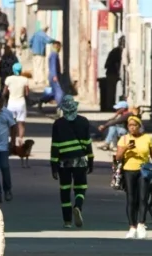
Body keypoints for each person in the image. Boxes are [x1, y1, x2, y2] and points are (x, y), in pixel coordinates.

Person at [114, 116, 152, 239]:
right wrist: (125, 148)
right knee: (131, 199)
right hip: (128, 171)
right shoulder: (124, 139)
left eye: (134, 125)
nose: (132, 127)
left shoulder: (147, 138)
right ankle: (132, 227)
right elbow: (117, 157)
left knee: (143, 198)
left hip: (143, 171)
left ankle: (141, 225)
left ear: (139, 126)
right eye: (129, 125)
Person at [50, 96, 94, 228]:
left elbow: (55, 146)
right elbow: (88, 143)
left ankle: (67, 221)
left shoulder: (58, 124)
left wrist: (54, 166)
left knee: (65, 190)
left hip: (64, 162)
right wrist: (90, 160)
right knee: (81, 187)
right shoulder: (84, 121)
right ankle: (78, 206)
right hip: (80, 160)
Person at [3, 62, 30, 144]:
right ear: (21, 70)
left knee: (11, 123)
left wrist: (3, 99)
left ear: (13, 70)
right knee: (21, 123)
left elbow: (4, 92)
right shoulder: (25, 80)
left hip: (11, 103)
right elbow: (27, 93)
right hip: (21, 103)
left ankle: (12, 139)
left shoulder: (9, 79)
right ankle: (20, 139)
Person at [48, 41, 64, 107]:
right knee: (59, 92)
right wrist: (55, 75)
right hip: (54, 76)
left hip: (52, 75)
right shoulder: (54, 54)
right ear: (57, 46)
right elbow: (53, 65)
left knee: (54, 92)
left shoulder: (53, 53)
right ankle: (59, 107)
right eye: (60, 47)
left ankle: (42, 100)